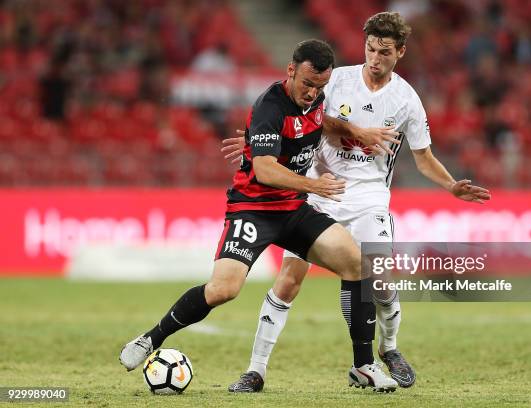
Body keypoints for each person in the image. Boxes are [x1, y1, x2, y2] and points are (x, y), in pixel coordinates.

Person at [222, 12, 491, 392]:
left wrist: (450, 186)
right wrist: (258, 141)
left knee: (378, 278)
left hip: (369, 198)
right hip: (319, 188)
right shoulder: (338, 81)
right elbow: (303, 113)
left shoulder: (407, 100)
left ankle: (390, 349)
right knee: (289, 281)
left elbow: (423, 156)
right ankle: (256, 370)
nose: (374, 58)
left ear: (400, 52)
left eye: (384, 51)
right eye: (369, 48)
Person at [119, 39, 402, 392]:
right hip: (253, 209)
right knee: (224, 289)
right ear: (290, 71)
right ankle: (150, 338)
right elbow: (266, 170)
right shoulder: (270, 106)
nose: (312, 93)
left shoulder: (315, 100)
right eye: (307, 84)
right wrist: (313, 186)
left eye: (320, 87)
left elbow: (321, 121)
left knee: (357, 264)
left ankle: (363, 366)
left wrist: (354, 130)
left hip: (293, 209)